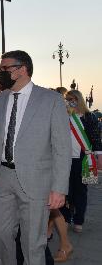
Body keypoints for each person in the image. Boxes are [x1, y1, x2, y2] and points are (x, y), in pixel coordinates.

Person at [0, 50, 71, 265]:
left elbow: (62, 147)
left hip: (36, 182)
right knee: (1, 233)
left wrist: (59, 188)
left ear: (22, 69)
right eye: (0, 69)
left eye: (5, 69)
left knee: (33, 242)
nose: (1, 73)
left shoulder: (51, 100)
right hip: (3, 178)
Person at [60, 90, 102, 235]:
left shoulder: (89, 117)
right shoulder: (63, 116)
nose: (69, 101)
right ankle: (65, 217)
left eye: (72, 99)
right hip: (64, 160)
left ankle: (79, 220)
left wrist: (99, 156)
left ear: (78, 99)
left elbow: (96, 137)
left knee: (81, 191)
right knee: (65, 191)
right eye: (67, 99)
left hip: (82, 159)